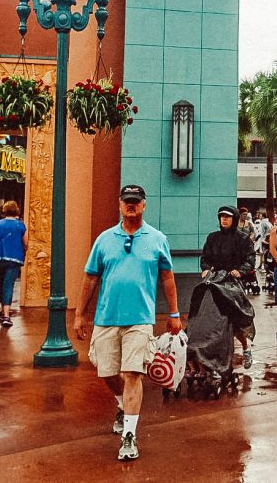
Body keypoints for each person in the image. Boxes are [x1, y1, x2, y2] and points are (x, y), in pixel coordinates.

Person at [74, 185, 181, 462]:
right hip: (106, 318)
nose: (131, 206)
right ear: (120, 205)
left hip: (140, 320)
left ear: (144, 205)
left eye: (135, 202)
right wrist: (79, 314)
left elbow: (167, 277)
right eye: (126, 201)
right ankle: (122, 404)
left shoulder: (157, 239)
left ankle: (129, 436)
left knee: (133, 373)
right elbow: (90, 278)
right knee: (108, 372)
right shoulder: (105, 239)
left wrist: (174, 314)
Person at [200, 205, 257, 368]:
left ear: (235, 219)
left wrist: (240, 271)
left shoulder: (243, 239)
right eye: (221, 217)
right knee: (211, 318)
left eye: (228, 217)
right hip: (215, 282)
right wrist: (206, 269)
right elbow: (205, 258)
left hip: (234, 284)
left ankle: (246, 348)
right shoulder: (212, 238)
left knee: (234, 320)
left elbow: (250, 259)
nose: (224, 219)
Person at [0, 200, 27, 327]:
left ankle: (3, 310)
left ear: (4, 210)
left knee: (1, 285)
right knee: (8, 285)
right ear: (16, 211)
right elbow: (26, 243)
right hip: (14, 259)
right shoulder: (21, 226)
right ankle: (6, 315)